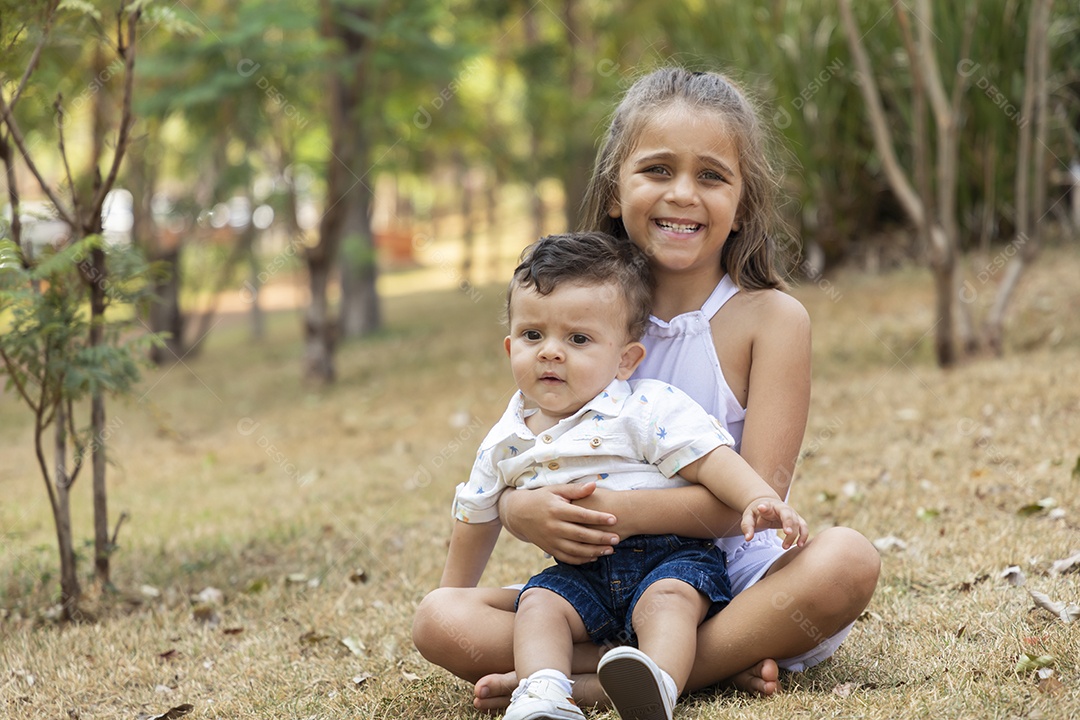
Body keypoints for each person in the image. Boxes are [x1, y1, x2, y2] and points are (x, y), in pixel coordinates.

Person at [413, 66, 881, 711]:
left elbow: (747, 508)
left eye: (711, 176)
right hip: (593, 585)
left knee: (847, 561)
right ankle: (699, 664)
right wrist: (521, 512)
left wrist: (608, 510)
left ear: (744, 202)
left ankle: (604, 678)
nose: (682, 194)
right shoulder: (572, 322)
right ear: (613, 191)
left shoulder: (771, 321)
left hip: (731, 579)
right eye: (657, 170)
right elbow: (521, 455)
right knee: (440, 619)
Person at [442, 231, 810, 720]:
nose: (551, 352)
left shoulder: (644, 405)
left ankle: (655, 681)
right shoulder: (506, 439)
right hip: (581, 574)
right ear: (511, 346)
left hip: (670, 558)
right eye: (533, 336)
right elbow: (476, 518)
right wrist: (453, 596)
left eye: (578, 339)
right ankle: (546, 692)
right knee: (537, 607)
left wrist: (758, 498)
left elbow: (709, 458)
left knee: (670, 601)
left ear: (625, 360)